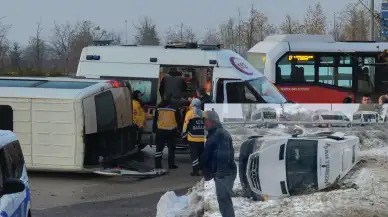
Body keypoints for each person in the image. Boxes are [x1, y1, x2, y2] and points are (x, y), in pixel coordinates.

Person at [203, 110, 237, 217]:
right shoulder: (213, 134)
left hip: (225, 173)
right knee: (222, 200)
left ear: (212, 121)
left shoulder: (221, 134)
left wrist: (220, 174)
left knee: (224, 200)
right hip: (220, 174)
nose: (204, 122)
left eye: (206, 120)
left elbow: (224, 156)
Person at [153, 94, 180, 170]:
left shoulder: (159, 107)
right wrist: (179, 129)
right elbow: (179, 119)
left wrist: (154, 130)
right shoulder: (174, 107)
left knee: (159, 149)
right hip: (171, 130)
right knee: (171, 149)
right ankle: (171, 165)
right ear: (171, 99)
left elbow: (155, 119)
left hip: (160, 130)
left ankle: (158, 165)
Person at [182, 98, 205, 176]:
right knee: (201, 155)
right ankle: (202, 170)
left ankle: (195, 172)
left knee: (194, 155)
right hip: (202, 138)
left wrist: (183, 135)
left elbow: (185, 126)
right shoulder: (204, 113)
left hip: (192, 138)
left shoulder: (189, 114)